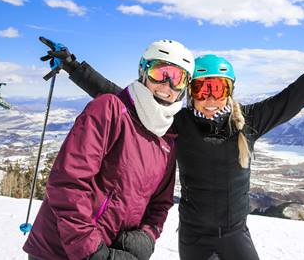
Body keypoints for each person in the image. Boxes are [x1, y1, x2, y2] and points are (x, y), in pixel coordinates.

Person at [42, 25, 304, 260]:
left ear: (229, 91)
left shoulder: (248, 122)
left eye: (218, 88)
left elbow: (297, 95)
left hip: (237, 234)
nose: (209, 97)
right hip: (194, 236)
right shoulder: (178, 123)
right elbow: (120, 98)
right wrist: (74, 67)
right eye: (201, 89)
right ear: (190, 93)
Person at [23, 39, 195, 260]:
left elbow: (160, 203)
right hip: (59, 252)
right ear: (143, 71)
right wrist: (91, 251)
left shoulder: (167, 141)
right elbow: (68, 184)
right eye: (160, 72)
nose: (167, 85)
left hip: (113, 252)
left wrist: (148, 235)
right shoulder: (110, 110)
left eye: (177, 78)